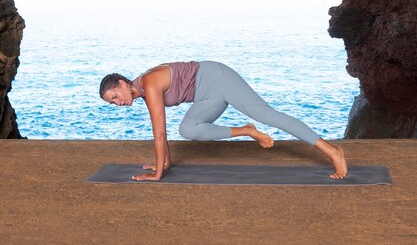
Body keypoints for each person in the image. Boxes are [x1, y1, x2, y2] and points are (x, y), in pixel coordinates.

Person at [99, 60, 347, 181]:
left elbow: (159, 133)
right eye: (112, 103)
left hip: (218, 79)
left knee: (267, 115)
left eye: (115, 96)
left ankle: (332, 151)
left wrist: (157, 175)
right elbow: (162, 130)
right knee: (188, 129)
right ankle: (247, 130)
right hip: (206, 96)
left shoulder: (150, 84)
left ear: (122, 83)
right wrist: (163, 164)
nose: (117, 102)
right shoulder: (141, 92)